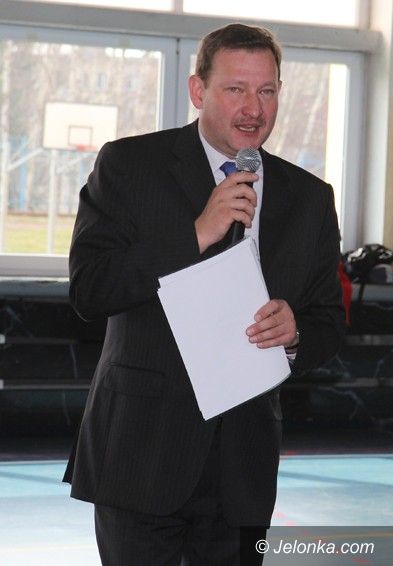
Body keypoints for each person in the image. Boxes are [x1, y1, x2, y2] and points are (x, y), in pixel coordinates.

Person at [64, 23, 345, 565]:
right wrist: (194, 234)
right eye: (236, 89)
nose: (253, 109)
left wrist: (296, 332)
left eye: (267, 91)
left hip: (243, 469)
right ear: (198, 91)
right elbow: (90, 289)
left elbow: (329, 323)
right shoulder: (129, 165)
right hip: (141, 454)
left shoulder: (310, 197)